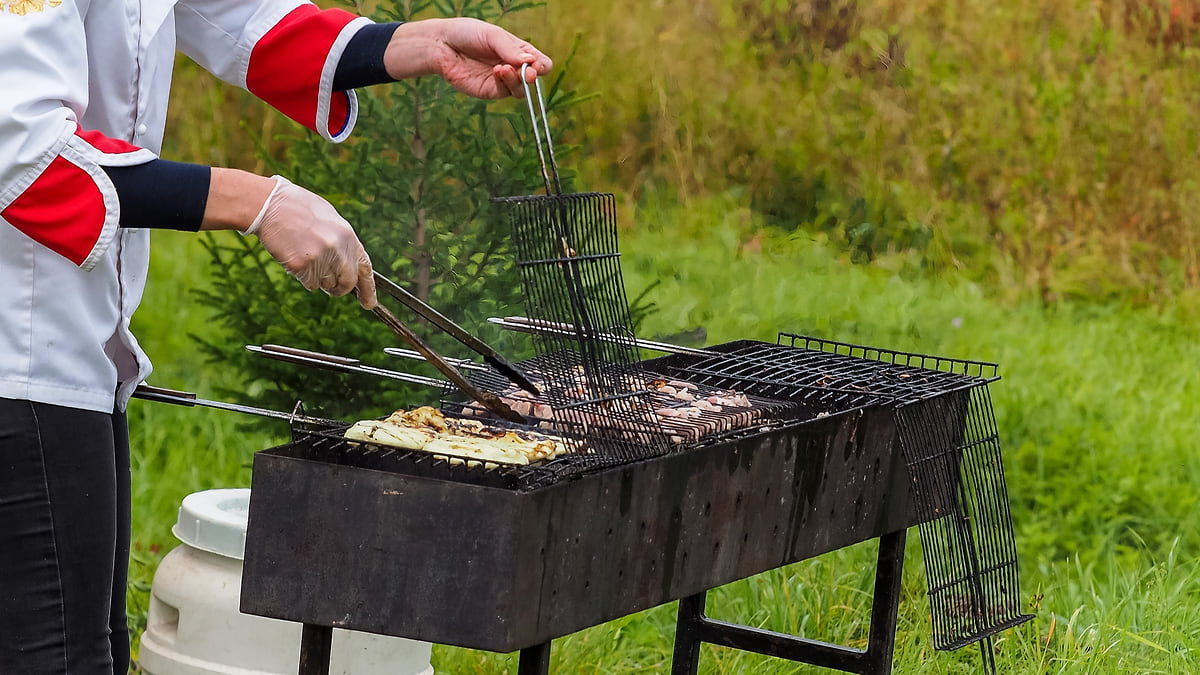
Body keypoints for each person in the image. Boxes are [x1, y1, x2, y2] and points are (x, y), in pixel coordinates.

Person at [0, 3, 551, 673]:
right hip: (19, 350)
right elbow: (23, 153)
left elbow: (247, 21)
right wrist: (260, 203)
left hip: (71, 349)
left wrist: (425, 42)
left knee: (90, 650)